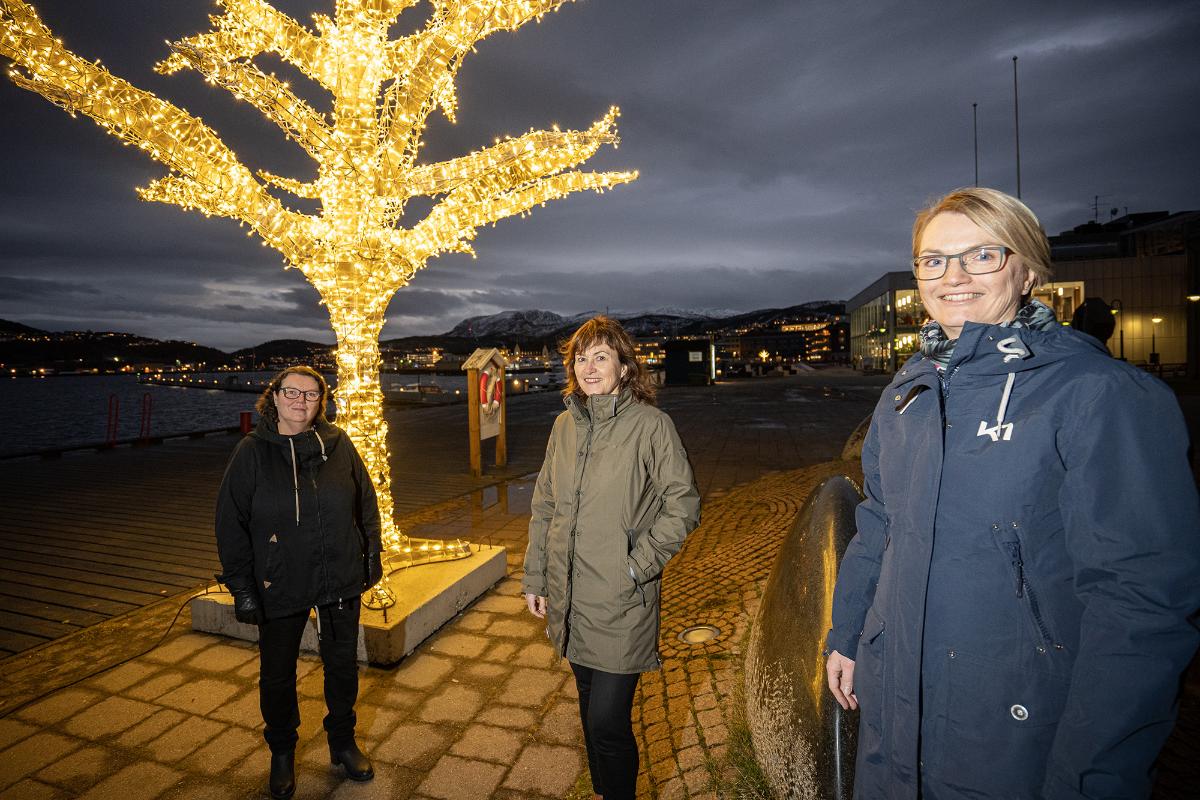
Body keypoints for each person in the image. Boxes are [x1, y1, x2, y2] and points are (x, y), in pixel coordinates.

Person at [825, 187, 1200, 799]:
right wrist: (847, 636)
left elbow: (1141, 604)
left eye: (982, 255)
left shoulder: (1098, 393)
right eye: (934, 260)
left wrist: (1092, 776)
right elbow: (879, 525)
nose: (953, 276)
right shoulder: (906, 393)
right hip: (895, 711)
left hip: (1017, 729)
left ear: (1027, 271)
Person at [522, 316, 701, 800]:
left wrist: (636, 566)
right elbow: (545, 505)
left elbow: (683, 504)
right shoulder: (564, 426)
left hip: (621, 600)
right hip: (570, 595)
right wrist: (536, 577)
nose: (589, 367)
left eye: (601, 356)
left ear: (624, 367)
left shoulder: (651, 426)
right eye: (581, 358)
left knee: (607, 721)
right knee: (587, 705)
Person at [215, 366, 384, 800]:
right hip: (281, 578)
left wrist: (371, 556)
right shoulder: (253, 452)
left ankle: (342, 741)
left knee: (342, 665)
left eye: (311, 394)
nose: (300, 401)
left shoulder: (338, 443)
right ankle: (282, 752)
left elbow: (366, 502)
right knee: (277, 673)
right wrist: (242, 587)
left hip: (338, 574)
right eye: (291, 392)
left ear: (321, 402)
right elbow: (230, 523)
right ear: (274, 397)